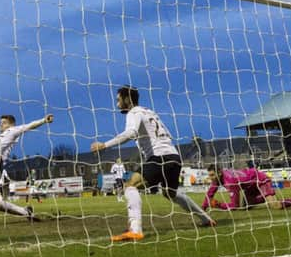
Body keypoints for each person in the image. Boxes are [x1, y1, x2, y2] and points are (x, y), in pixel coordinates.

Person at [91, 86, 215, 242]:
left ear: (127, 99)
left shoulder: (134, 112)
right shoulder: (150, 112)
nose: (117, 104)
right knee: (170, 193)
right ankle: (205, 219)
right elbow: (167, 133)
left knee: (130, 185)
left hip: (159, 157)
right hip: (174, 157)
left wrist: (104, 145)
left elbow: (131, 133)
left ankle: (135, 230)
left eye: (118, 100)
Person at [202, 165, 291, 211]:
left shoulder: (230, 182)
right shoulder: (217, 179)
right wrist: (202, 208)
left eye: (212, 175)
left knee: (275, 206)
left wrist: (218, 205)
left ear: (220, 173)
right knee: (246, 207)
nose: (210, 178)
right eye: (209, 175)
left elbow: (235, 206)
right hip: (250, 185)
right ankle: (267, 197)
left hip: (260, 180)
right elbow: (210, 192)